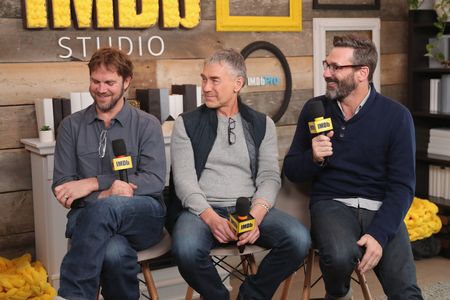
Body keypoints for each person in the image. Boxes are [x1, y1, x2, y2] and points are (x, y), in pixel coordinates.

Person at [284, 35, 423, 299]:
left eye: (335, 67)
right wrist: (312, 158)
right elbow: (292, 169)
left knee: (406, 291)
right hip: (332, 203)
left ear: (362, 73)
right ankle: (338, 295)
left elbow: (403, 187)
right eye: (327, 65)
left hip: (381, 206)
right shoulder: (315, 109)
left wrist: (379, 235)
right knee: (338, 257)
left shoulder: (396, 116)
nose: (326, 73)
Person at [169, 48, 311, 300]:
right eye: (203, 79)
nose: (206, 87)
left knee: (299, 240)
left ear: (238, 84)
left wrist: (256, 216)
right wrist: (212, 218)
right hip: (201, 210)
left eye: (214, 80)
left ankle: (251, 296)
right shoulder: (186, 123)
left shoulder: (262, 124)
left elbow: (269, 177)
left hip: (248, 209)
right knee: (187, 250)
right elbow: (184, 182)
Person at [52, 47, 166, 300]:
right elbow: (63, 186)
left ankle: (71, 295)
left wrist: (94, 183)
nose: (101, 89)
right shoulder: (71, 126)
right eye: (96, 81)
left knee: (108, 207)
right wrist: (106, 193)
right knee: (114, 252)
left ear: (126, 82)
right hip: (90, 219)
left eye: (110, 82)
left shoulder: (147, 124)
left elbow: (154, 181)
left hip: (142, 214)